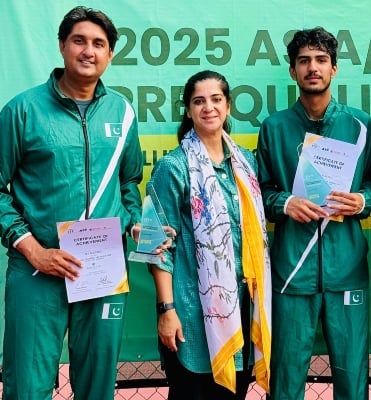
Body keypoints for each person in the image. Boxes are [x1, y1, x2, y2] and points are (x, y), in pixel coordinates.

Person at [0, 6, 143, 399]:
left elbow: (130, 180)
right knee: (28, 387)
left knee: (97, 385)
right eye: (79, 41)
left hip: (102, 268)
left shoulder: (122, 111)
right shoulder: (24, 110)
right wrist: (33, 250)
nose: (89, 51)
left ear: (110, 54)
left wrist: (134, 220)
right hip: (38, 270)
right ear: (62, 46)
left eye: (99, 44)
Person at [256, 27, 371, 400]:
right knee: (287, 376)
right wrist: (285, 204)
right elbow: (259, 193)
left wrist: (363, 201)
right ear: (292, 71)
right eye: (304, 61)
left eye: (321, 60)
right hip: (292, 271)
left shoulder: (360, 125)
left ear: (334, 69)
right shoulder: (274, 127)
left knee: (352, 376)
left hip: (348, 270)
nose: (313, 68)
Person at [147, 70, 272, 399]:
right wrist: (166, 310)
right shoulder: (172, 167)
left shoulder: (246, 162)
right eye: (198, 101)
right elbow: (154, 246)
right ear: (188, 110)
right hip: (189, 312)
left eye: (216, 100)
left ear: (228, 106)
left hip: (241, 309)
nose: (208, 108)